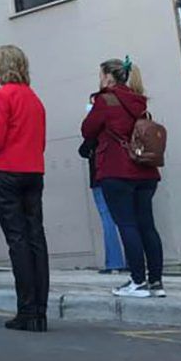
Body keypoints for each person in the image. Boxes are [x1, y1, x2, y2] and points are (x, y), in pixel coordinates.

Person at [0, 45, 49, 332]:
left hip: (5, 170)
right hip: (32, 170)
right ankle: (39, 310)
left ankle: (26, 309)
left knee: (17, 240)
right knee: (36, 239)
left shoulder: (0, 97)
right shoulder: (34, 98)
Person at [81, 57, 165, 299]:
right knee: (147, 225)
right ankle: (156, 281)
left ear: (108, 76)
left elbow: (88, 130)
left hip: (117, 169)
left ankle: (137, 280)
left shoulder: (105, 100)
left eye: (101, 75)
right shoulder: (139, 101)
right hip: (146, 171)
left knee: (127, 225)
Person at [80, 98, 126, 274]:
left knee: (108, 219)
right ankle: (131, 260)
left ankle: (114, 262)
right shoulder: (120, 125)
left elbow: (83, 150)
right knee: (125, 219)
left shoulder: (96, 130)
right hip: (120, 175)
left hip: (100, 178)